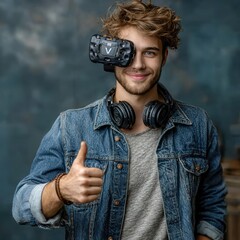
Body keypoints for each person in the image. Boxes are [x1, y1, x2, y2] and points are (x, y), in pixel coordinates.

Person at [12, 0, 227, 239]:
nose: (138, 64)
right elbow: (21, 207)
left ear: (164, 56)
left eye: (150, 52)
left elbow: (212, 207)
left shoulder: (197, 124)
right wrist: (61, 189)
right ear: (111, 56)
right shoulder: (71, 126)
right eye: (128, 52)